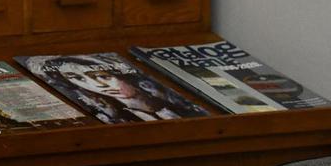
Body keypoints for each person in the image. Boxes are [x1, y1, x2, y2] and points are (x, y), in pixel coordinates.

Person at [30, 55, 205, 123]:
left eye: (103, 76)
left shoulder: (177, 103)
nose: (98, 85)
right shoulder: (110, 115)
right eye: (79, 79)